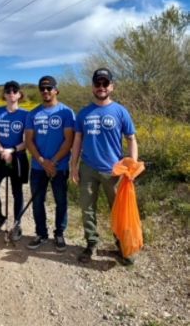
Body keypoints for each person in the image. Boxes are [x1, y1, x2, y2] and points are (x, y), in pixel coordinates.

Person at [71, 68, 138, 265]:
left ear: (111, 87)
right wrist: (73, 166)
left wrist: (131, 166)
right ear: (92, 87)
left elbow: (132, 139)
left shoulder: (120, 111)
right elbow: (77, 141)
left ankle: (122, 246)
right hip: (88, 168)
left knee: (119, 210)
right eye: (97, 84)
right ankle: (91, 244)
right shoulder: (83, 113)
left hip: (114, 170)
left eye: (105, 83)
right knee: (87, 209)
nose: (101, 87)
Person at [25, 76, 75, 252]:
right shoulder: (33, 114)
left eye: (49, 88)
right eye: (42, 89)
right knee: (38, 201)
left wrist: (52, 162)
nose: (45, 91)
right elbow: (29, 141)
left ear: (56, 90)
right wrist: (41, 161)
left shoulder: (66, 113)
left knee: (61, 201)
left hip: (59, 167)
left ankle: (59, 233)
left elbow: (69, 140)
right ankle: (41, 233)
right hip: (38, 167)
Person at [0, 81, 29, 241]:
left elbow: (28, 141)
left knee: (17, 192)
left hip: (17, 155)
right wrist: (2, 151)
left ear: (19, 94)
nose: (11, 93)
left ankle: (17, 223)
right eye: (8, 91)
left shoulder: (26, 115)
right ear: (4, 95)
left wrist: (12, 150)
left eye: (15, 90)